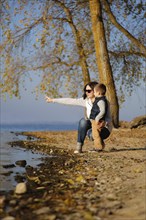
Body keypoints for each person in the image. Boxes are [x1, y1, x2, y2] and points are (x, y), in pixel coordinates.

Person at [45, 81, 112, 153]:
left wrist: (104, 123)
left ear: (95, 91)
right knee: (83, 121)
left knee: (91, 134)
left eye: (89, 91)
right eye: (85, 91)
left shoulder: (103, 102)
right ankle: (79, 147)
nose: (86, 92)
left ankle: (99, 146)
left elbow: (108, 117)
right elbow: (70, 101)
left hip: (104, 128)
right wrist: (53, 100)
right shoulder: (86, 101)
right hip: (93, 124)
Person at [89, 83, 109, 151]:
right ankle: (101, 146)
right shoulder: (98, 100)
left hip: (97, 121)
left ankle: (98, 148)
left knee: (96, 134)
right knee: (97, 134)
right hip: (95, 120)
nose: (93, 93)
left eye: (94, 92)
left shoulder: (101, 101)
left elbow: (103, 111)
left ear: (99, 93)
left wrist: (97, 118)